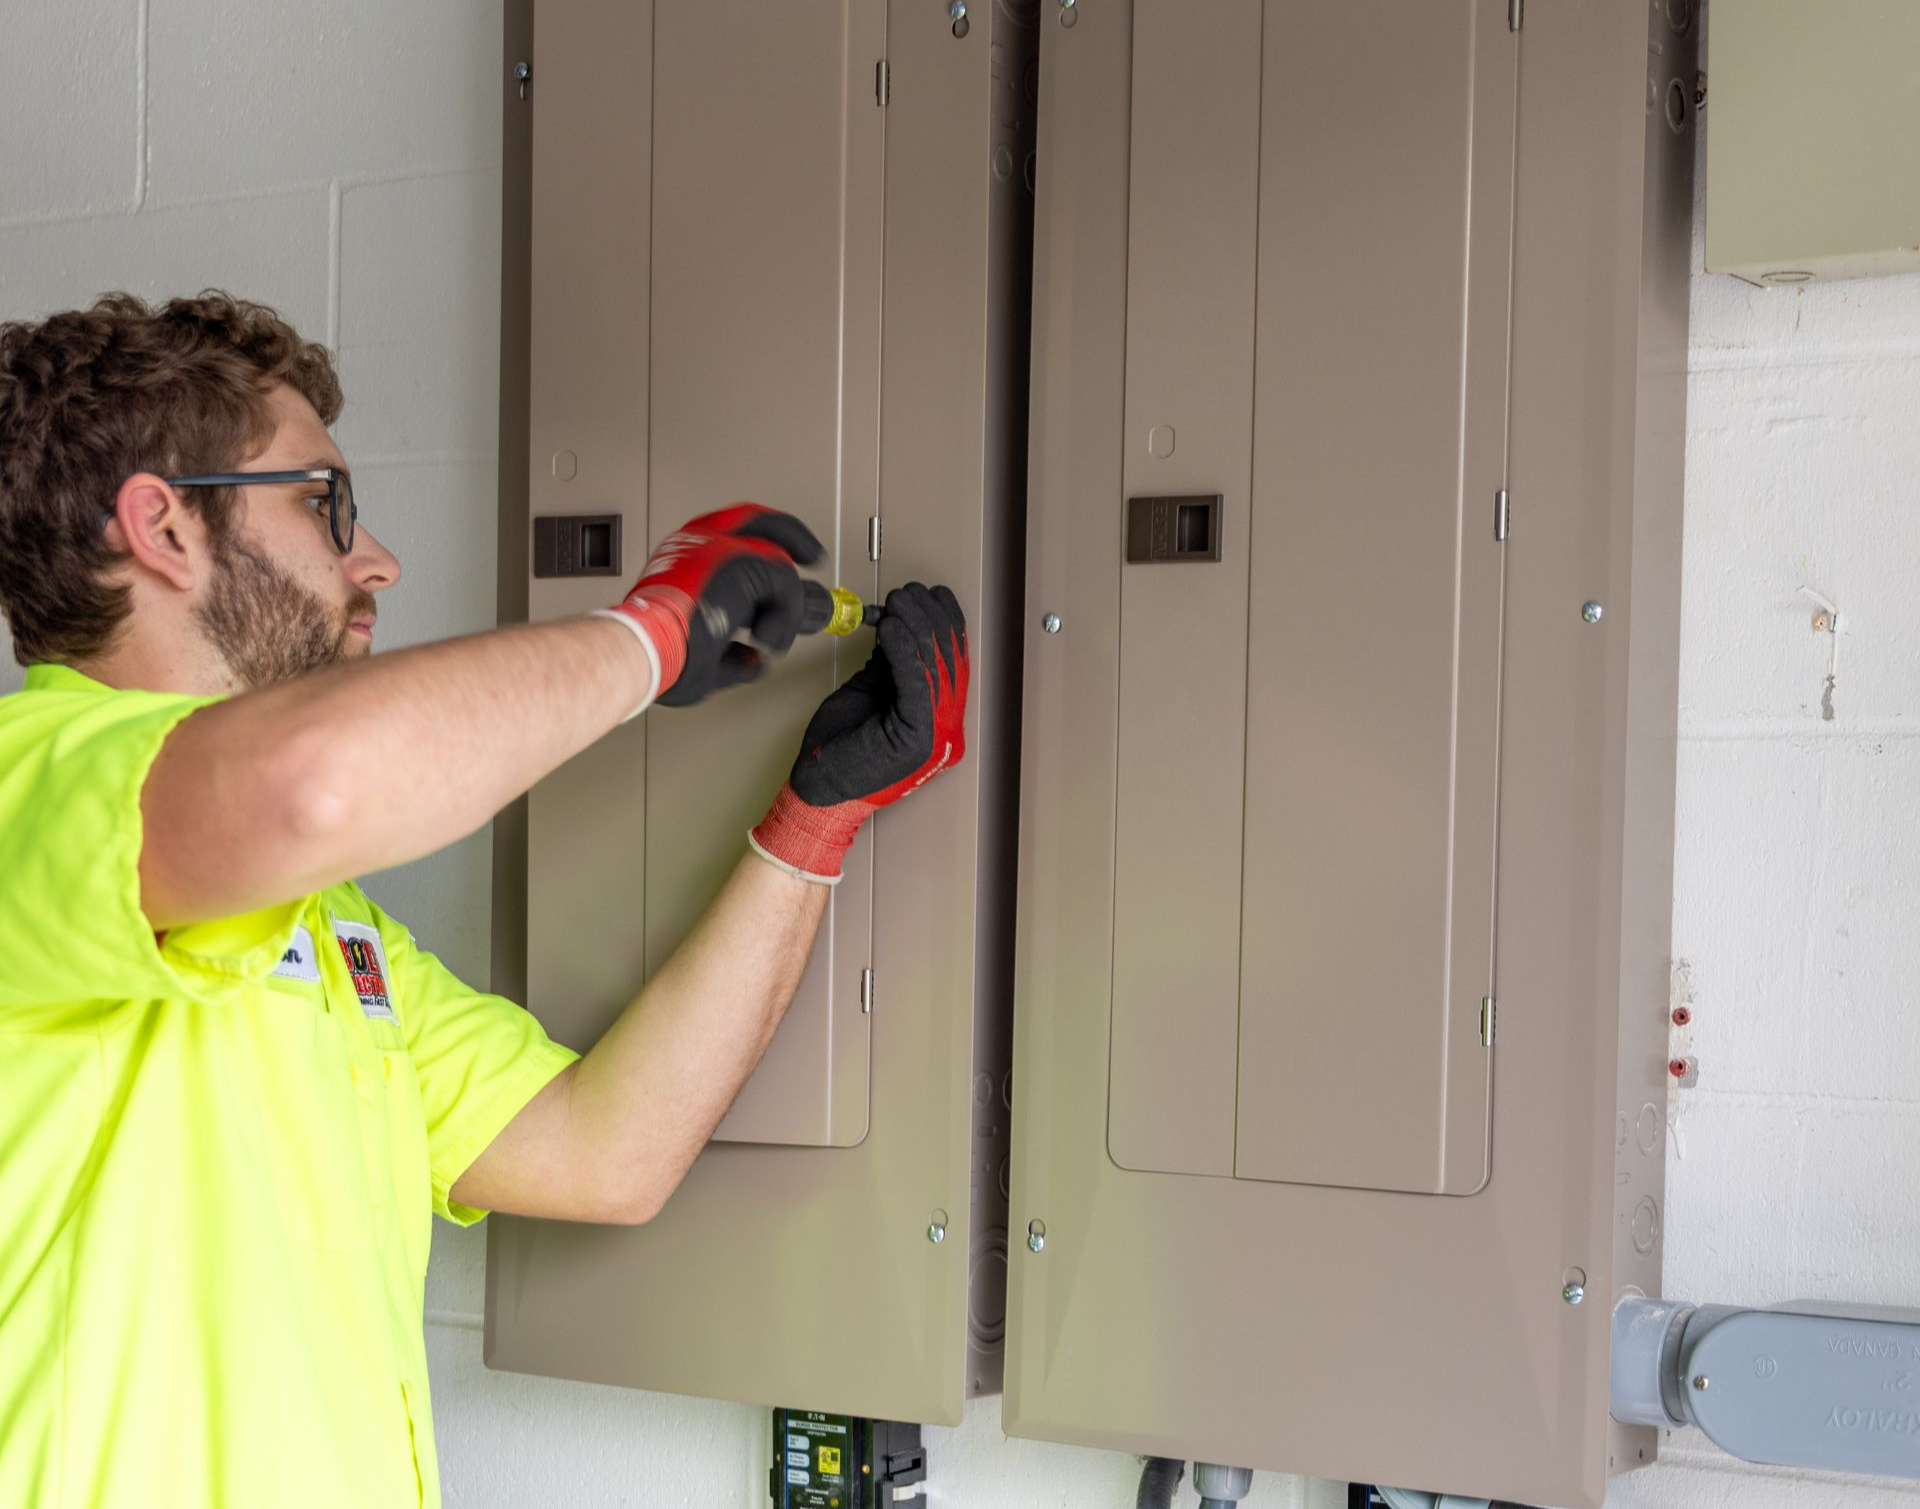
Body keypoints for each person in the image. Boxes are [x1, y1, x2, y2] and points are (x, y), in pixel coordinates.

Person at [0, 291, 969, 1508]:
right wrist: (654, 635)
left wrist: (811, 824)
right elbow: (311, 782)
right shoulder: (23, 795)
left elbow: (608, 1151)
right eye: (322, 504)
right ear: (163, 528)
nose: (376, 559)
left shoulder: (330, 931)